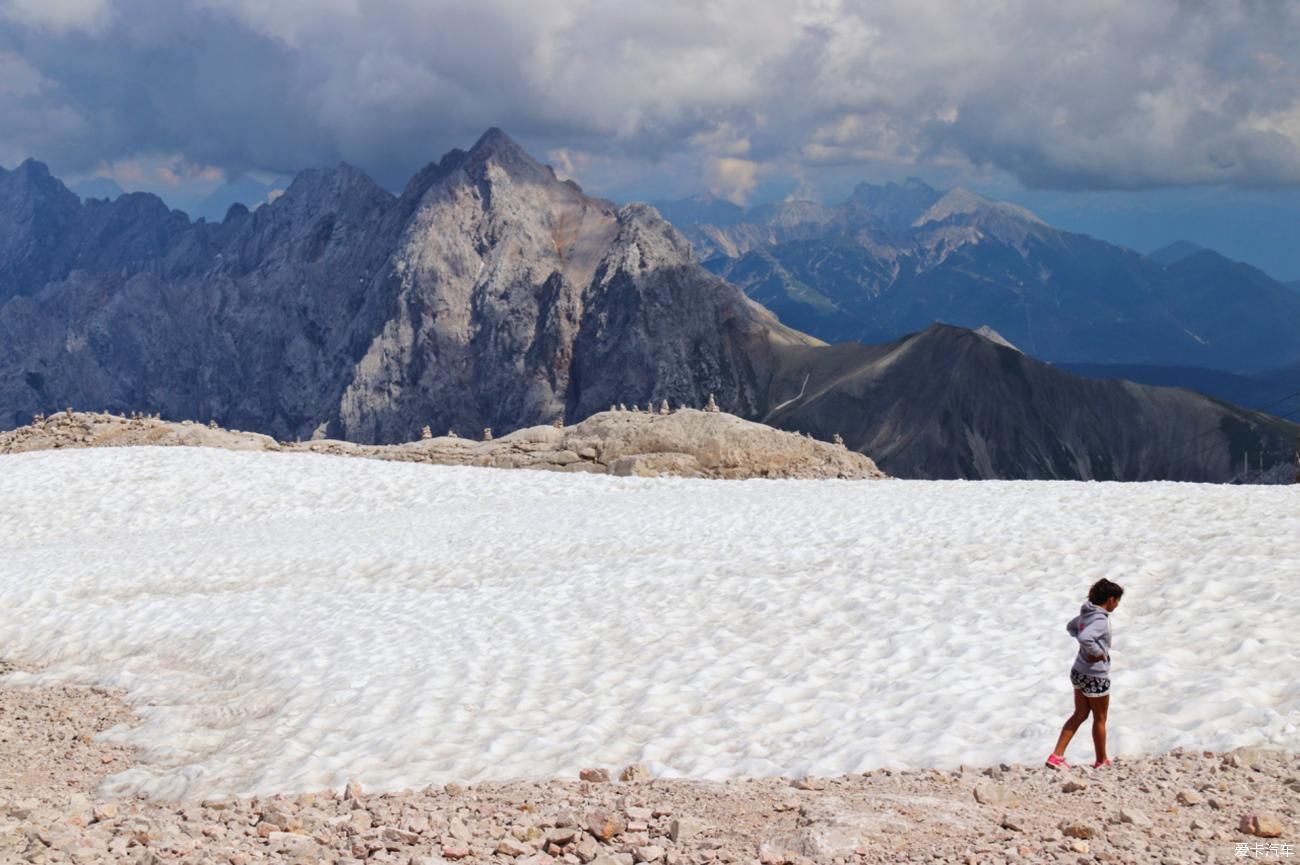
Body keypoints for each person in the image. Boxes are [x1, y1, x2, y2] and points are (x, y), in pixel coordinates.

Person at [1046, 578, 1124, 769]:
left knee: (1080, 713)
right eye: (1117, 600)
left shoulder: (1087, 613)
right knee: (1100, 718)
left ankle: (1056, 756)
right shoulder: (1099, 619)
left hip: (1078, 671)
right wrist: (1097, 653)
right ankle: (1101, 760)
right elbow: (1085, 636)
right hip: (1095, 675)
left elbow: (1072, 627)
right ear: (1111, 599)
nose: (1118, 604)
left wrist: (1087, 650)